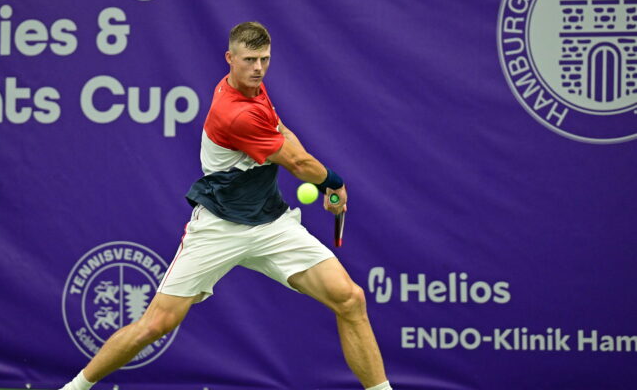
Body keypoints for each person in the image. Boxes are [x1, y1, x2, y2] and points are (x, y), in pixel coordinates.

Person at [60, 21, 393, 390]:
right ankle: (75, 388)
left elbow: (283, 133)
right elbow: (297, 164)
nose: (259, 68)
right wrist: (334, 182)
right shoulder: (235, 112)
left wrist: (315, 171)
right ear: (229, 58)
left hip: (270, 224)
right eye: (250, 60)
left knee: (350, 299)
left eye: (264, 59)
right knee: (155, 325)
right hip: (220, 227)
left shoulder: (255, 88)